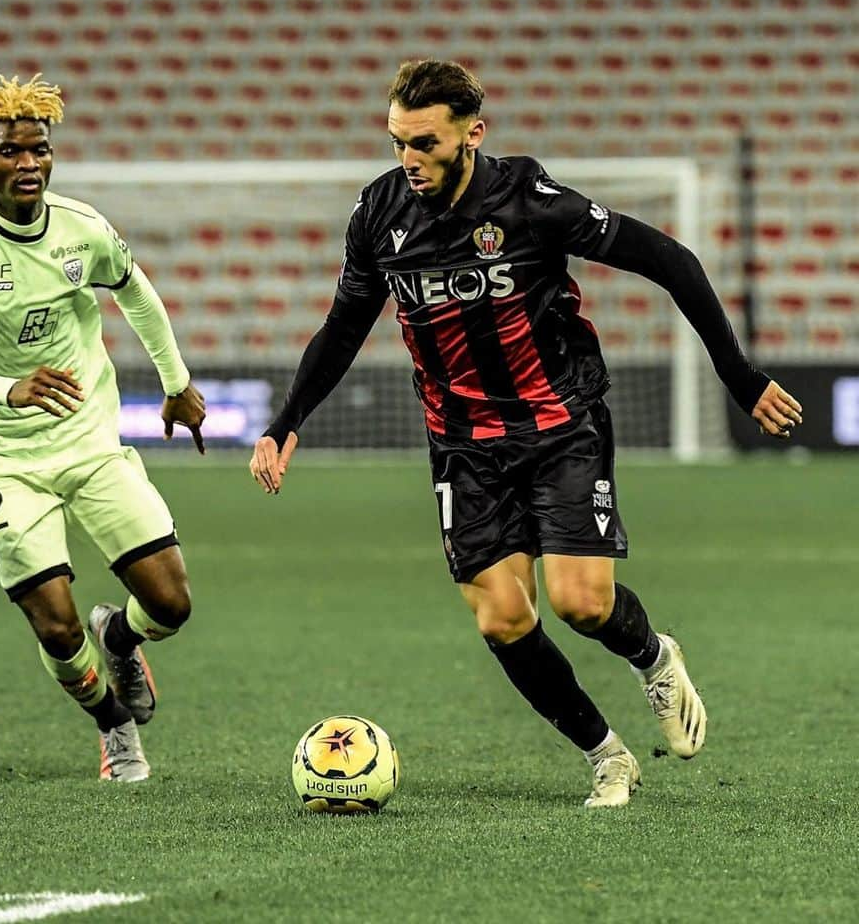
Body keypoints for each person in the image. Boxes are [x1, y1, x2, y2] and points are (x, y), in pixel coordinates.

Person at [250, 59, 802, 808]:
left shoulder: (530, 202)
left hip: (559, 423)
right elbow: (345, 324)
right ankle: (606, 756)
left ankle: (653, 655)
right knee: (503, 616)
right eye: (397, 142)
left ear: (472, 134)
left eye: (425, 143)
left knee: (580, 604)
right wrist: (288, 422)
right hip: (461, 442)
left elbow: (671, 259)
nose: (409, 159)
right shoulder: (378, 215)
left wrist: (741, 378)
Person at [0, 73, 206, 782]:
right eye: (10, 152)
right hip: (0, 461)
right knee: (54, 624)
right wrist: (7, 391)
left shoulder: (82, 226)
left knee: (170, 604)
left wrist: (176, 381)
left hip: (88, 442)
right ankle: (114, 725)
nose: (29, 164)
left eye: (39, 150)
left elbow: (134, 289)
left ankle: (121, 635)